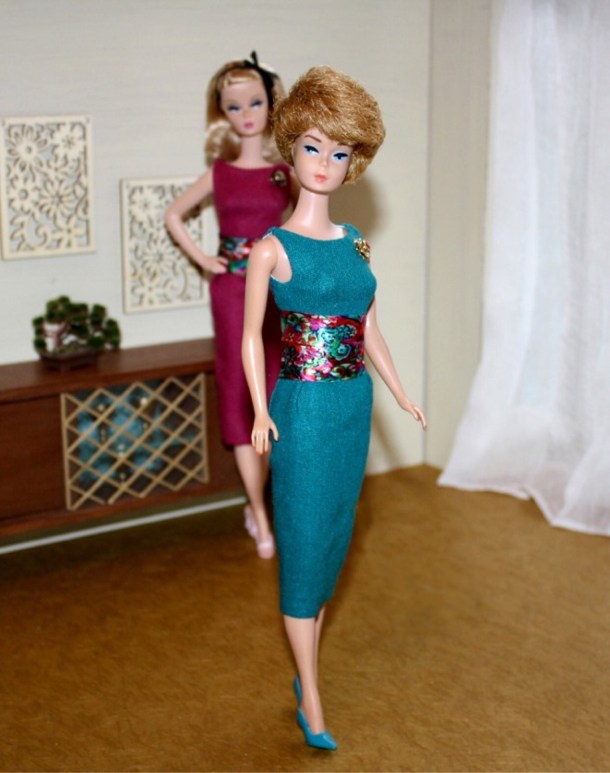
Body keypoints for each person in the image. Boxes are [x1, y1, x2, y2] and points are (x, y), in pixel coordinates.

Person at [242, 66, 427, 750]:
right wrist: (260, 410)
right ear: (291, 149)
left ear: (355, 162)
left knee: (330, 540)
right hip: (303, 409)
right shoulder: (271, 249)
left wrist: (400, 391)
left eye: (340, 152)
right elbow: (251, 338)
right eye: (313, 147)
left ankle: (307, 673)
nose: (324, 163)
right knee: (302, 543)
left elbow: (368, 325)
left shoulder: (354, 242)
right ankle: (312, 699)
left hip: (352, 405)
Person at [165, 53, 297, 559]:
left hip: (276, 297)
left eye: (255, 103)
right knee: (240, 392)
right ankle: (258, 512)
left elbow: (304, 225)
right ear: (222, 112)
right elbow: (174, 214)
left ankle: (270, 504)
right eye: (234, 106)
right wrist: (204, 259)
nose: (246, 114)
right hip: (230, 293)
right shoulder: (219, 173)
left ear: (270, 104)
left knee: (276, 389)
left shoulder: (284, 173)